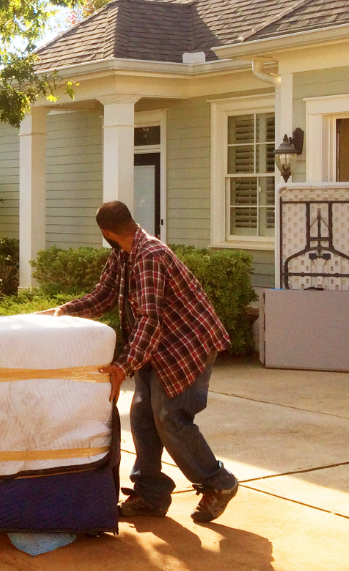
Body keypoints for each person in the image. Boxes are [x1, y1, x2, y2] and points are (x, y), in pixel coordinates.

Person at [41, 201, 239, 523]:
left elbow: (150, 319)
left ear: (106, 232)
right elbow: (104, 296)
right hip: (158, 346)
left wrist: (123, 366)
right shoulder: (123, 253)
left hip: (188, 345)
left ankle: (220, 483)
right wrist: (64, 311)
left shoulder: (149, 256)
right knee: (142, 416)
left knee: (169, 416)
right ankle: (151, 494)